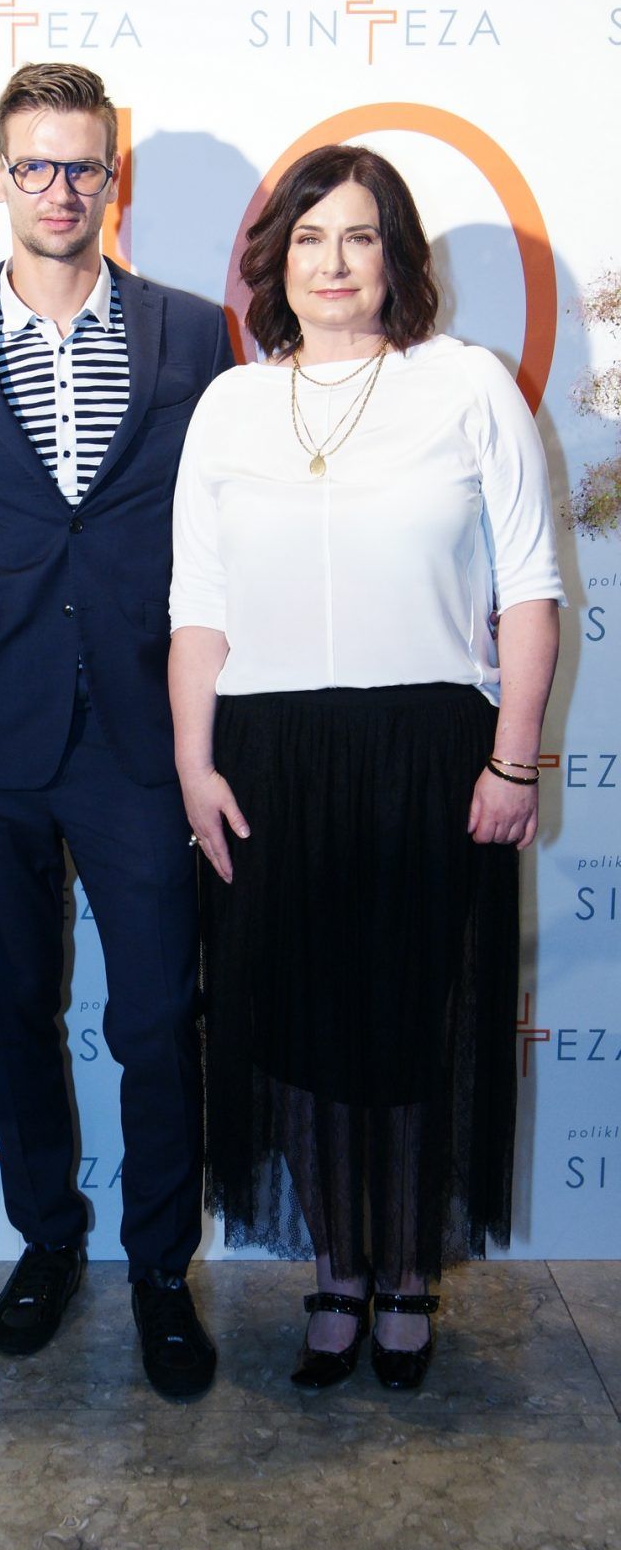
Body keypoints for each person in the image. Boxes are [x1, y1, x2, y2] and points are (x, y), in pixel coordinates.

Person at [169, 145, 564, 1391]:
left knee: (410, 1025)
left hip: (429, 757)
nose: (332, 262)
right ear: (274, 262)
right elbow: (197, 607)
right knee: (299, 1031)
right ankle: (336, 1272)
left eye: (358, 236)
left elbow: (530, 586)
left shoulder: (465, 384)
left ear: (395, 256)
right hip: (266, 759)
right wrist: (193, 763)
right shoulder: (232, 406)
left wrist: (513, 762)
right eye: (308, 238)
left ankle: (406, 1277)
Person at [0, 63, 234, 1399]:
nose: (62, 188)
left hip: (146, 737)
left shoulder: (196, 336)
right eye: (37, 164)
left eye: (84, 165)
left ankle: (159, 1271)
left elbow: (233, 530)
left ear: (112, 178)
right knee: (12, 1010)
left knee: (158, 1020)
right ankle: (47, 1238)